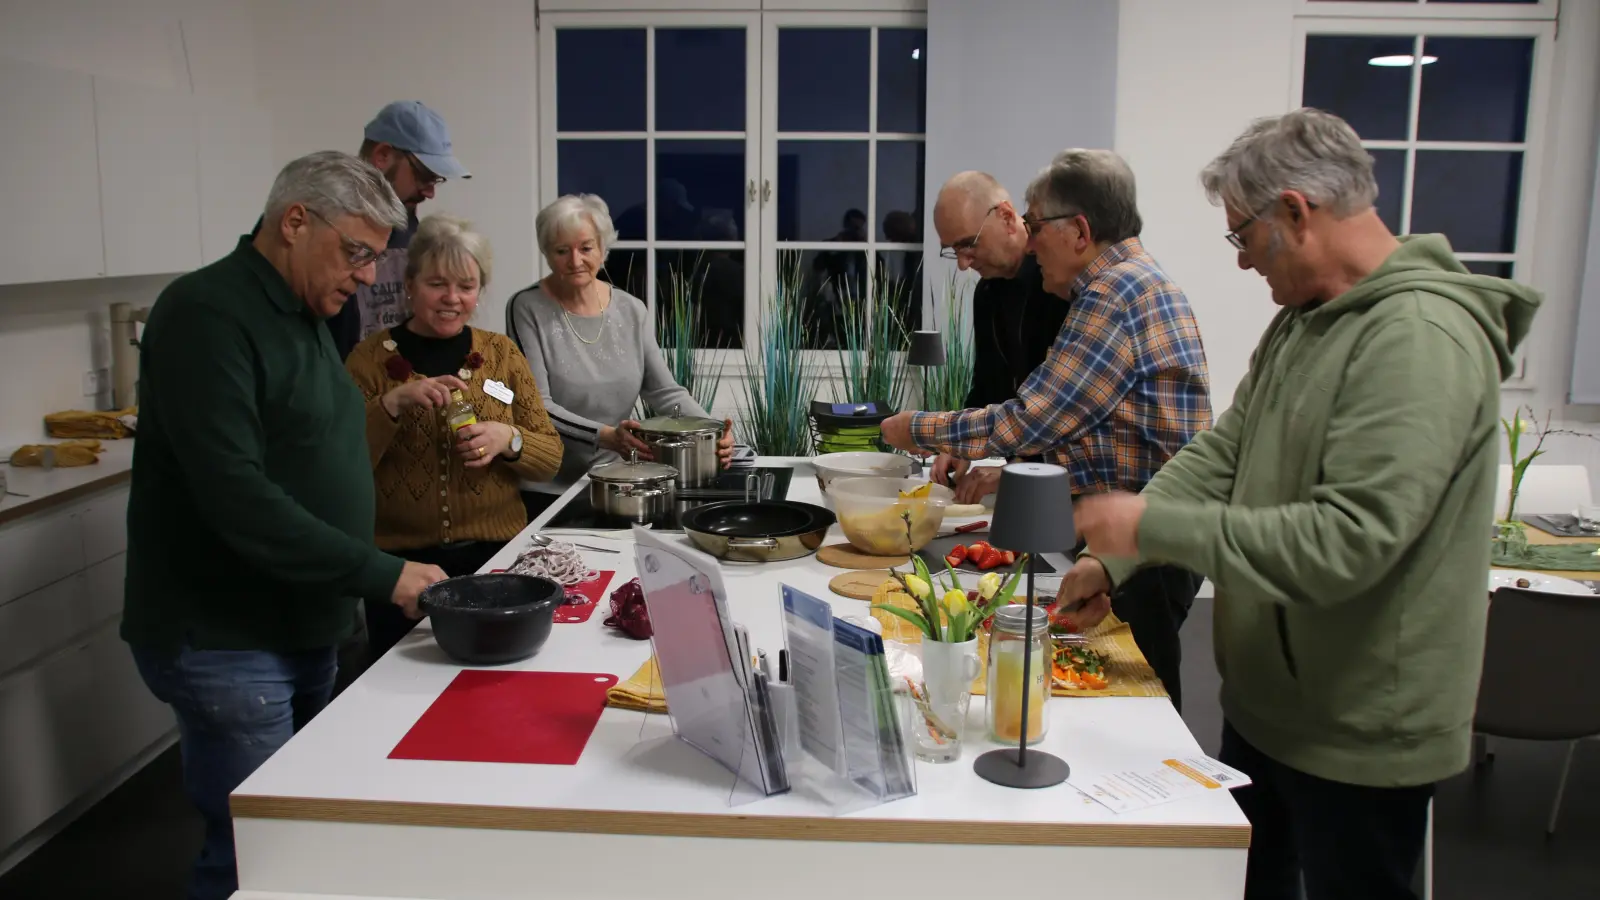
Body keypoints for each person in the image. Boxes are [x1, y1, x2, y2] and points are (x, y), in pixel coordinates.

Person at [1061, 109, 1541, 900]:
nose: (1244, 263)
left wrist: (1150, 524)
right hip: (1271, 707)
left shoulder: (1419, 337)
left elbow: (1349, 541)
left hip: (1359, 731)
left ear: (1296, 212)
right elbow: (1224, 451)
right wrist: (1112, 557)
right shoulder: (1304, 322)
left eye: (1242, 236)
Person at [121, 151, 449, 900]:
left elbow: (309, 445)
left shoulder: (305, 312)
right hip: (229, 636)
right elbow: (234, 492)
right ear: (295, 222)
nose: (369, 275)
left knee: (301, 844)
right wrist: (382, 574)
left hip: (300, 625)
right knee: (256, 857)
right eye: (357, 252)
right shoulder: (207, 313)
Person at [880, 150, 1212, 710]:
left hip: (1146, 539)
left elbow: (1033, 416)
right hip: (1128, 531)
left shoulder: (1117, 294)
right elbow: (1097, 437)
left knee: (1139, 701)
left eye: (1035, 228)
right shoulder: (1117, 287)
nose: (1032, 245)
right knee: (1105, 688)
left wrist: (918, 428)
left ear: (1079, 231)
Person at [345, 215, 564, 662]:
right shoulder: (367, 361)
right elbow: (342, 464)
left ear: (480, 290)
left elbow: (551, 457)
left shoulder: (500, 355)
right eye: (437, 283)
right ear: (410, 283)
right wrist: (389, 407)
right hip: (402, 572)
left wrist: (510, 439)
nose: (452, 298)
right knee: (399, 698)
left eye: (466, 285)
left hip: (497, 565)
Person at [505, 194, 735, 518]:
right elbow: (538, 406)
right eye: (561, 250)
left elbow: (664, 392)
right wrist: (606, 437)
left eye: (585, 248)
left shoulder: (630, 309)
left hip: (617, 484)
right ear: (546, 252)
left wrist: (714, 433)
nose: (574, 261)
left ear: (602, 247)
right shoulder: (525, 307)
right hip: (547, 489)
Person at [925, 171, 1070, 503]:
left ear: (1006, 217)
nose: (962, 264)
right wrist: (961, 445)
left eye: (969, 244)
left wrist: (1017, 469)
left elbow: (1063, 410)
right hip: (1031, 489)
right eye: (953, 251)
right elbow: (988, 385)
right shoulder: (987, 293)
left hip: (1076, 489)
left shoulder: (1062, 286)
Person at [323, 100, 471, 360]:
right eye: (424, 175)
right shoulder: (322, 221)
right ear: (382, 155)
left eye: (437, 179)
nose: (430, 191)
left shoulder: (412, 226)